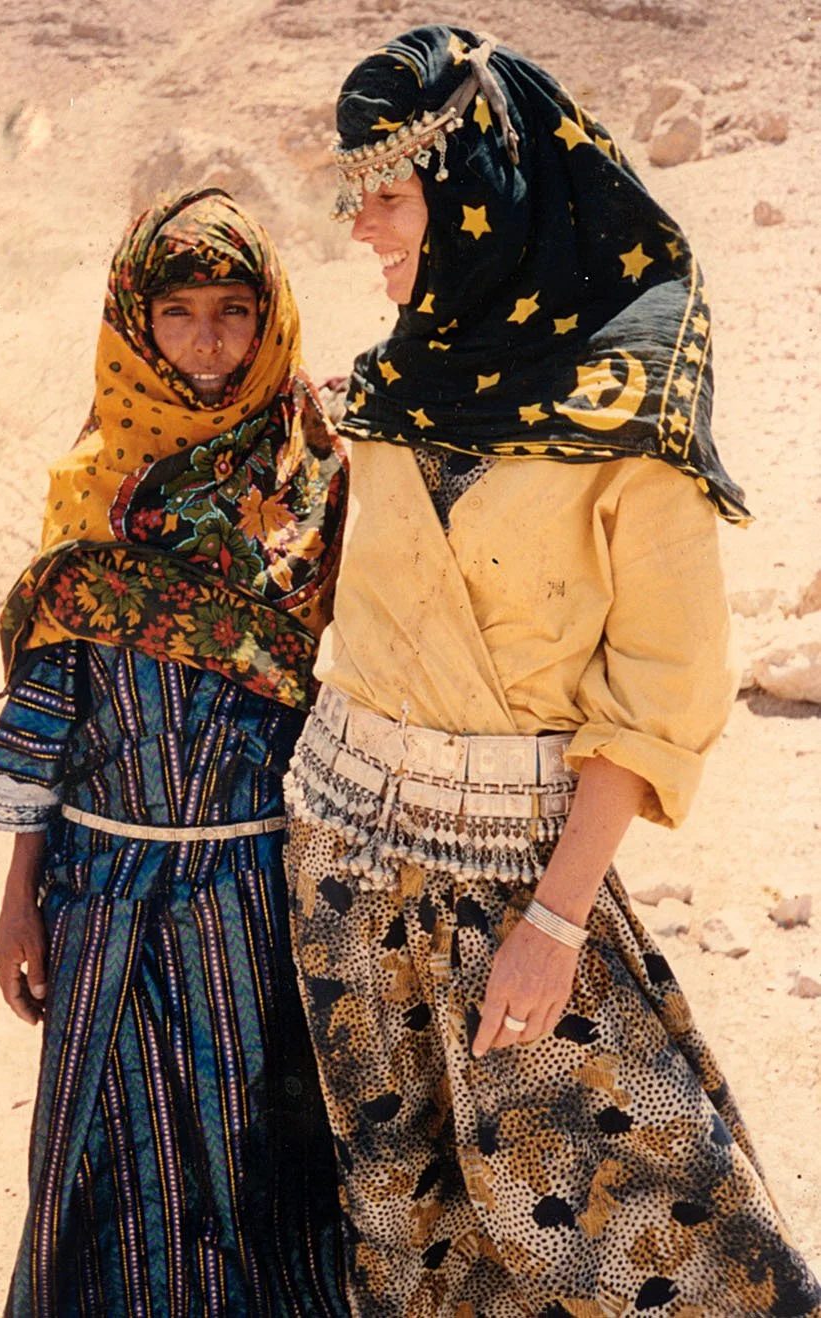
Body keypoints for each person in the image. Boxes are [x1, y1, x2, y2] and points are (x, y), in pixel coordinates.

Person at [283, 26, 821, 1318]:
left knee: (651, 1237)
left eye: (389, 193)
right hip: (335, 865)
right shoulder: (395, 386)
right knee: (406, 1233)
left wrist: (554, 921)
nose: (362, 229)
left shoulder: (632, 428)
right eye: (352, 197)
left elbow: (657, 697)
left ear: (478, 191)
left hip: (515, 883)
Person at [0, 188, 350, 1317]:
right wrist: (16, 901)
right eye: (177, 310)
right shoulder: (92, 496)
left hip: (252, 894)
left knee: (257, 1163)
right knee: (102, 1151)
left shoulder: (312, 488)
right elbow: (42, 719)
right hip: (98, 890)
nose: (204, 339)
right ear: (135, 326)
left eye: (231, 309)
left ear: (269, 317)